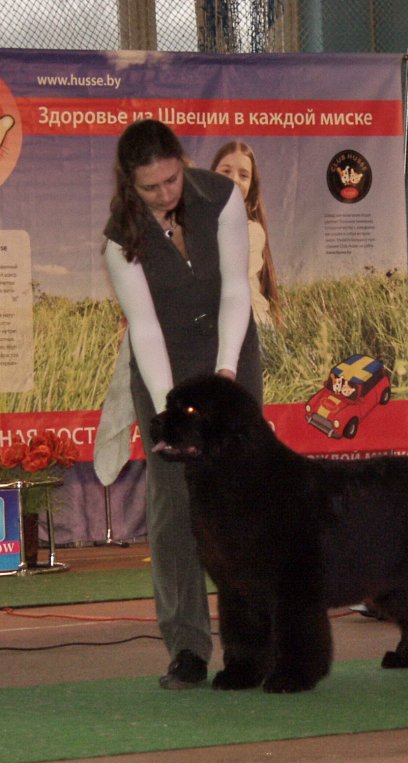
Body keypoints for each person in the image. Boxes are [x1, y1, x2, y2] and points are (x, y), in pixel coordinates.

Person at [101, 119, 262, 689]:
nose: (165, 194)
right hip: (162, 367)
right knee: (173, 507)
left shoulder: (221, 196)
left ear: (182, 163)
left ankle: (251, 640)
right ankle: (188, 646)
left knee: (240, 499)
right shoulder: (121, 238)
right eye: (151, 188)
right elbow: (144, 329)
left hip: (230, 353)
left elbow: (237, 289)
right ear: (130, 184)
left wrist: (224, 372)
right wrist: (175, 407)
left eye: (171, 180)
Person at [211, 140, 281, 328]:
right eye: (226, 171)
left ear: (250, 187)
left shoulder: (251, 231)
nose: (233, 179)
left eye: (243, 175)